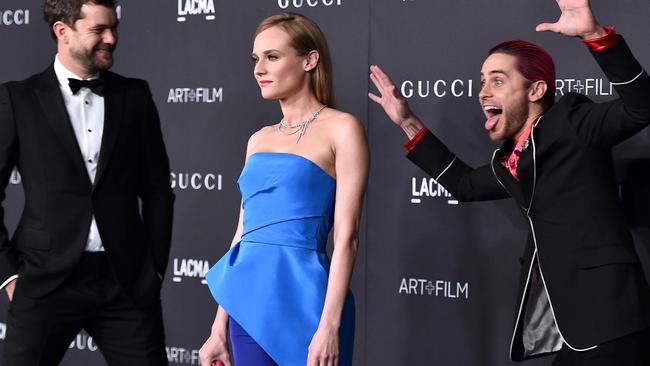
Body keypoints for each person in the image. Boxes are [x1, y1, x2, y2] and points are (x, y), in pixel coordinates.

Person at [369, 0, 650, 365]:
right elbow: (464, 185)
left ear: (535, 91)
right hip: (574, 329)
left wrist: (594, 36)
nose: (483, 92)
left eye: (498, 81)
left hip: (614, 321)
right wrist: (407, 121)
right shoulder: (510, 161)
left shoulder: (573, 122)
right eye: (482, 82)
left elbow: (642, 107)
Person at [0, 0, 174, 364]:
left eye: (114, 28)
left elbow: (158, 189)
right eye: (98, 30)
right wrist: (9, 276)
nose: (111, 38)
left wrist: (154, 266)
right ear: (62, 31)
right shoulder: (19, 99)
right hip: (44, 279)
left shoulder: (135, 96)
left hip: (123, 281)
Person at [199, 12, 368, 366]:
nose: (259, 68)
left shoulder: (342, 129)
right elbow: (242, 237)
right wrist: (218, 329)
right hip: (247, 305)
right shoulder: (258, 140)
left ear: (309, 60)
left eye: (272, 57)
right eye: (256, 59)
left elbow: (347, 237)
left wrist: (329, 327)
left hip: (310, 305)